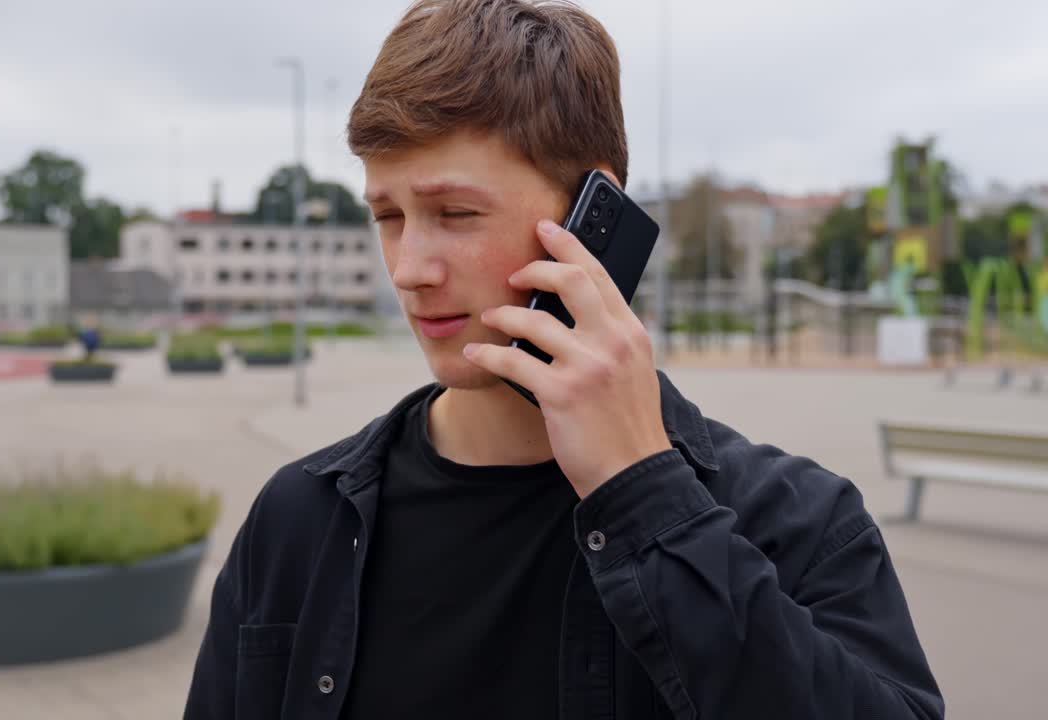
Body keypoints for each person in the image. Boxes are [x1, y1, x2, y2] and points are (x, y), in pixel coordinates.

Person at [184, 1, 943, 718]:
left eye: (455, 214)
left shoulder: (796, 522)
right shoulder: (298, 522)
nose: (410, 266)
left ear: (595, 213)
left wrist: (647, 503)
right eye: (388, 216)